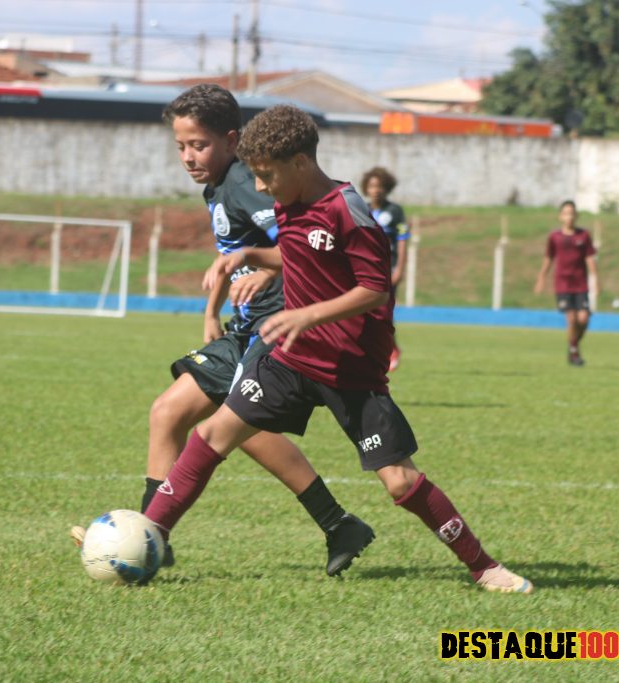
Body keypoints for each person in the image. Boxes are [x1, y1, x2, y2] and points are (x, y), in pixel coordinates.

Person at [141, 104, 533, 593]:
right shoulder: (288, 198)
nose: (259, 187)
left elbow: (375, 290)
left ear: (300, 163)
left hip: (351, 370)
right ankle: (148, 536)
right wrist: (253, 256)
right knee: (213, 434)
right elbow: (297, 250)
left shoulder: (348, 210)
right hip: (289, 358)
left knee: (400, 481)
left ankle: (485, 567)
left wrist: (306, 314)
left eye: (266, 175)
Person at [73, 85, 374, 577]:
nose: (188, 157)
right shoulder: (219, 186)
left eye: (199, 145)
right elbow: (230, 254)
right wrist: (211, 311)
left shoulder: (241, 183)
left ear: (231, 141)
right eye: (181, 146)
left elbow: (301, 241)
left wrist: (267, 271)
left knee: (223, 424)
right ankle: (156, 534)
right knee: (180, 415)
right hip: (246, 326)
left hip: (277, 326)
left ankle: (154, 534)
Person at [534, 200, 599, 366]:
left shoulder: (583, 236)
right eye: (566, 213)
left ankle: (573, 345)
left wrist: (595, 279)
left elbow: (589, 258)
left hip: (580, 283)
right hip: (563, 283)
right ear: (560, 216)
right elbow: (549, 258)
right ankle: (574, 352)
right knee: (571, 319)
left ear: (576, 216)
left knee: (583, 319)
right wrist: (541, 277)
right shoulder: (555, 237)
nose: (569, 217)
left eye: (571, 213)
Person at [362, 167, 409, 371]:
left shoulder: (395, 211)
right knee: (364, 311)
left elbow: (402, 240)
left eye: (380, 186)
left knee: (383, 311)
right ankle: (373, 350)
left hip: (387, 269)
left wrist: (399, 268)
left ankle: (391, 349)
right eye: (372, 186)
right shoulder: (362, 209)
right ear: (366, 188)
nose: (376, 190)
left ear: (386, 188)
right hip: (365, 269)